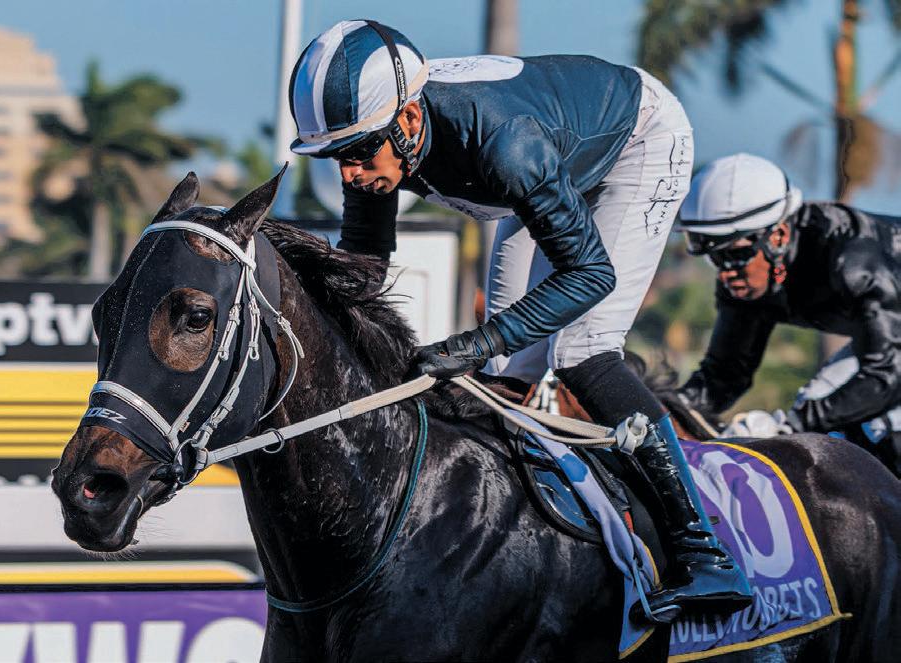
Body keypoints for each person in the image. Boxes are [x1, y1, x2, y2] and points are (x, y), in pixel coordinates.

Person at [288, 19, 751, 622]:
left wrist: (475, 342)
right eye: (333, 157)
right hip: (549, 161)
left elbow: (590, 275)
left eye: (354, 154)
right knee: (511, 370)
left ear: (406, 120)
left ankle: (704, 552)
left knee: (581, 350)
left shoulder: (503, 145)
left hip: (637, 142)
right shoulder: (381, 138)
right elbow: (362, 272)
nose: (349, 175)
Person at [676, 153, 901, 475]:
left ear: (778, 236)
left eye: (735, 254)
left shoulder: (853, 262)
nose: (727, 274)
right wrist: (661, 414)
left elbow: (885, 375)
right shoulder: (745, 279)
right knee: (819, 417)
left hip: (893, 351)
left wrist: (786, 425)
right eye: (714, 257)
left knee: (880, 430)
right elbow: (724, 376)